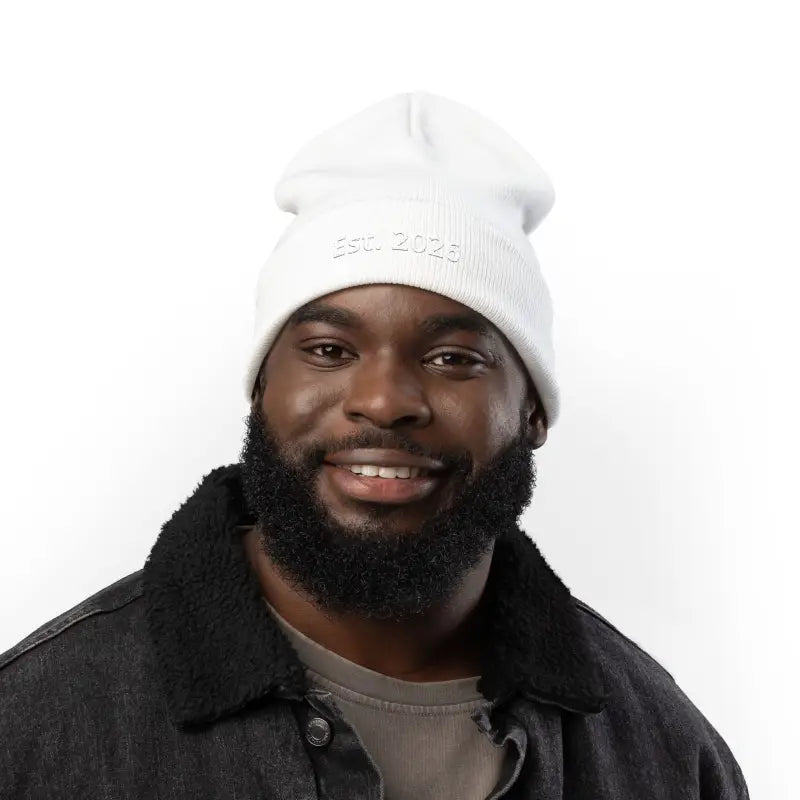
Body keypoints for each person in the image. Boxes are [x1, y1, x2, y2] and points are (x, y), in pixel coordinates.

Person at [0, 91, 749, 799]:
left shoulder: (664, 754)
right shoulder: (34, 729)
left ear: (533, 413)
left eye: (453, 358)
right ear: (261, 387)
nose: (385, 401)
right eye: (329, 350)